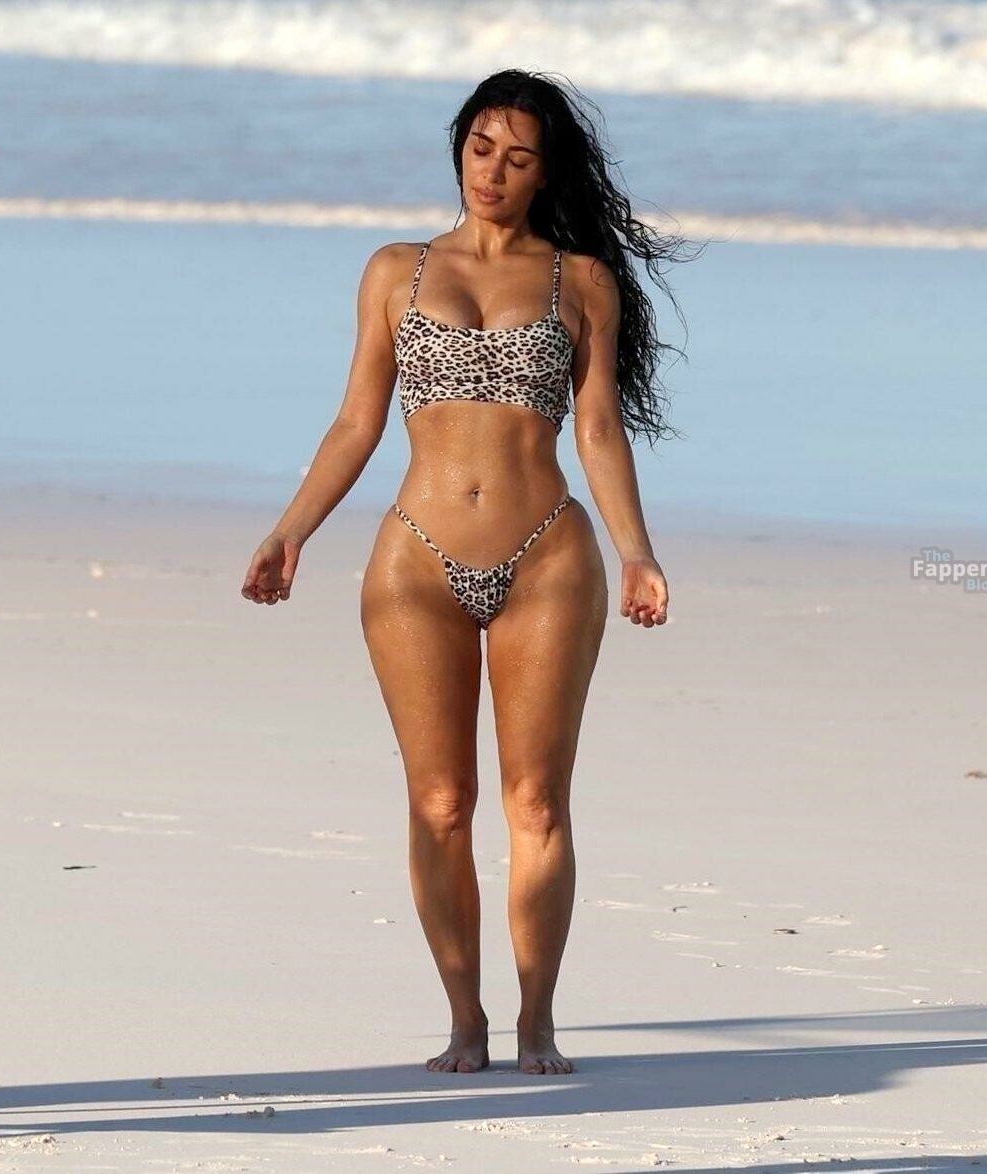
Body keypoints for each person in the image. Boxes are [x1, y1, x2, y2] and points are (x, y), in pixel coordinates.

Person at [242, 69, 700, 1076]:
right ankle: (464, 1018)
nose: (493, 170)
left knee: (535, 802)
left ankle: (537, 1020)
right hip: (415, 558)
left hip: (548, 559)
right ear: (459, 147)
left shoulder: (580, 281)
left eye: (518, 157)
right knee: (440, 804)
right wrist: (290, 532)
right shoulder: (394, 271)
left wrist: (636, 550)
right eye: (481, 147)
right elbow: (356, 421)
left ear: (545, 174)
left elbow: (597, 429)